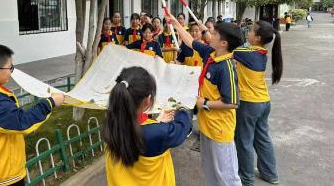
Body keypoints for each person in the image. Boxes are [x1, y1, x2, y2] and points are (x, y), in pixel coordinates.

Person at [0, 44, 65, 186]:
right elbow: (21, 123)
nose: (11, 72)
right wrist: (50, 103)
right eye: (10, 68)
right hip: (4, 178)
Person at [167, 13, 243, 186]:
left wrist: (205, 103)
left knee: (227, 177)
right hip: (206, 126)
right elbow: (189, 41)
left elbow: (233, 102)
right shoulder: (211, 53)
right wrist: (176, 24)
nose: (208, 34)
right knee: (210, 171)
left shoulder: (226, 67)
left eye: (213, 33)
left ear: (223, 43)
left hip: (220, 131)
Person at [103, 66, 192, 186]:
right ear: (148, 100)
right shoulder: (155, 134)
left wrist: (157, 123)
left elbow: (141, 129)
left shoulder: (111, 123)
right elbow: (182, 128)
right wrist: (181, 107)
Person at [233, 21, 283, 186]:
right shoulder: (261, 51)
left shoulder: (245, 53)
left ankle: (246, 179)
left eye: (251, 30)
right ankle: (270, 174)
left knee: (244, 141)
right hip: (263, 102)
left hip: (249, 104)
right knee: (262, 138)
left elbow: (226, 48)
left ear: (257, 38)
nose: (248, 31)